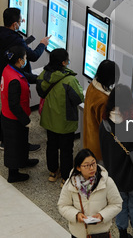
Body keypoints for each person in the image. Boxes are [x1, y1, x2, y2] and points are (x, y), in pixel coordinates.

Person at [99, 85, 133, 238]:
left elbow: (103, 148)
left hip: (115, 174)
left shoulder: (105, 123)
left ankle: (123, 233)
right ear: (129, 101)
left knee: (120, 205)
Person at [37, 49, 85, 185]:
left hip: (49, 118)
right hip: (65, 121)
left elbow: (41, 92)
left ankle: (53, 172)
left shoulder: (44, 75)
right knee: (66, 150)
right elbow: (79, 98)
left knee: (51, 145)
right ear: (64, 62)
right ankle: (65, 177)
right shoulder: (69, 80)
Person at [58, 149, 122, 238]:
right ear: (78, 167)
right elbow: (63, 205)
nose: (92, 168)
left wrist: (102, 215)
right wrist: (76, 215)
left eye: (93, 163)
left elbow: (117, 204)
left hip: (100, 233)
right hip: (79, 233)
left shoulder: (106, 181)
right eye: (87, 165)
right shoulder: (71, 183)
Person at [0, 45, 39, 183]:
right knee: (13, 145)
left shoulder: (10, 69)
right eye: (25, 57)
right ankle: (13, 173)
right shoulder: (14, 80)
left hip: (14, 115)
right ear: (20, 60)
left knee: (22, 141)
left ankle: (23, 161)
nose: (26, 59)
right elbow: (14, 105)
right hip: (13, 118)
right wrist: (26, 120)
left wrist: (39, 79)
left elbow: (26, 76)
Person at [0, 7, 49, 84]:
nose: (21, 23)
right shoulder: (17, 40)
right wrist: (43, 44)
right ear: (15, 24)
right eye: (20, 21)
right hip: (14, 77)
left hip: (0, 71)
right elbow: (34, 56)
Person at [83, 60, 119, 161]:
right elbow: (107, 128)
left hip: (89, 140)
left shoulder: (92, 86)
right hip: (99, 147)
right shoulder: (103, 100)